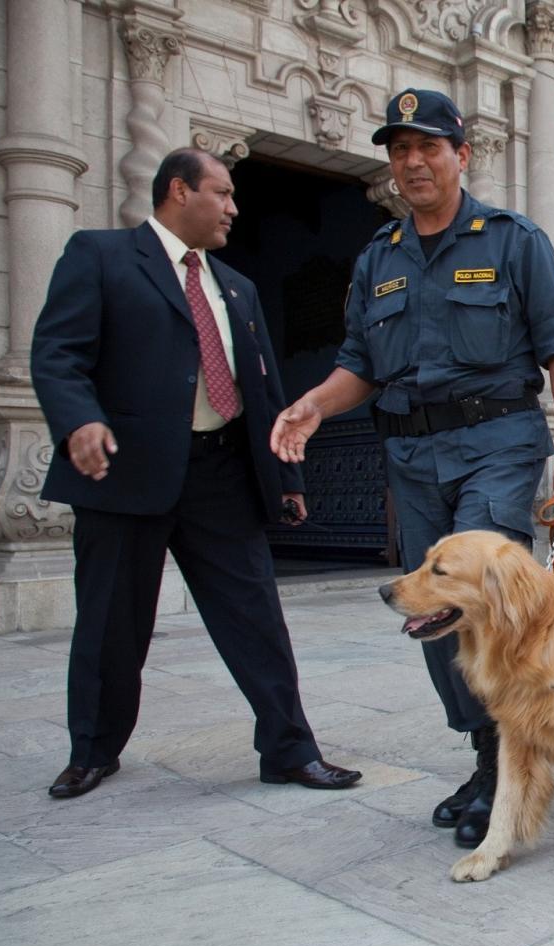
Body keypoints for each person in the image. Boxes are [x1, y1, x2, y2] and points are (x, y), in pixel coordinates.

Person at [271, 89, 554, 848]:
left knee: (486, 597)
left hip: (499, 442)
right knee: (433, 610)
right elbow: (360, 365)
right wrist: (314, 404)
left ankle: (513, 765)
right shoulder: (378, 257)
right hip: (412, 458)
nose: (413, 162)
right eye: (400, 150)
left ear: (461, 155)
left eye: (428, 147)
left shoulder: (512, 240)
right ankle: (489, 755)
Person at [30, 148, 362, 799]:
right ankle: (93, 751)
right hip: (125, 471)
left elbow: (262, 388)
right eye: (223, 192)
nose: (234, 207)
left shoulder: (236, 286)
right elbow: (57, 353)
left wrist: (286, 478)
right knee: (111, 622)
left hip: (221, 473)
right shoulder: (100, 256)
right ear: (179, 191)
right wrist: (79, 422)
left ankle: (290, 750)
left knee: (256, 617)